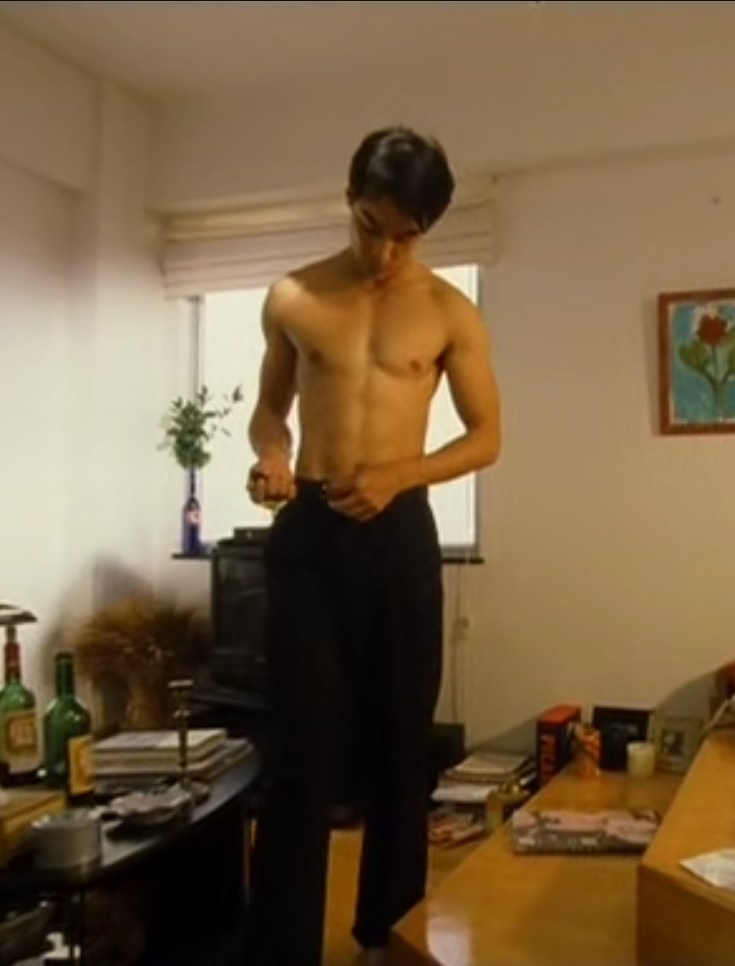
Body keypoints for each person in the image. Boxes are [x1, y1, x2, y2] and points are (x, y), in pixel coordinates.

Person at [242, 126, 504, 965]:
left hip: (398, 529)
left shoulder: (449, 311)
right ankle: (281, 949)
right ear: (348, 198)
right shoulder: (293, 295)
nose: (383, 250)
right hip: (310, 527)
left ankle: (386, 935)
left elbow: (486, 436)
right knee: (300, 746)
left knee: (399, 743)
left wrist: (402, 474)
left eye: (405, 235)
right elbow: (270, 410)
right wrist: (273, 457)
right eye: (368, 225)